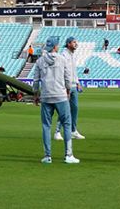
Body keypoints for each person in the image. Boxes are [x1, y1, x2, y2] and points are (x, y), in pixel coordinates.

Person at [30, 36, 79, 164]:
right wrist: (68, 90)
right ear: (56, 46)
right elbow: (67, 78)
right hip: (60, 95)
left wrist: (36, 95)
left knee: (46, 126)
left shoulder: (40, 61)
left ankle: (47, 156)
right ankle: (68, 155)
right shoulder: (62, 59)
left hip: (46, 96)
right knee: (67, 124)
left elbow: (35, 80)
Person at [55, 36, 85, 142]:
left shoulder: (72, 55)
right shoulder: (63, 55)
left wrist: (77, 82)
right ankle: (57, 131)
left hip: (73, 86)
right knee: (64, 109)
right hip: (65, 87)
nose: (76, 44)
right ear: (68, 44)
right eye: (74, 42)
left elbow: (73, 71)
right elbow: (62, 72)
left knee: (75, 109)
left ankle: (73, 130)